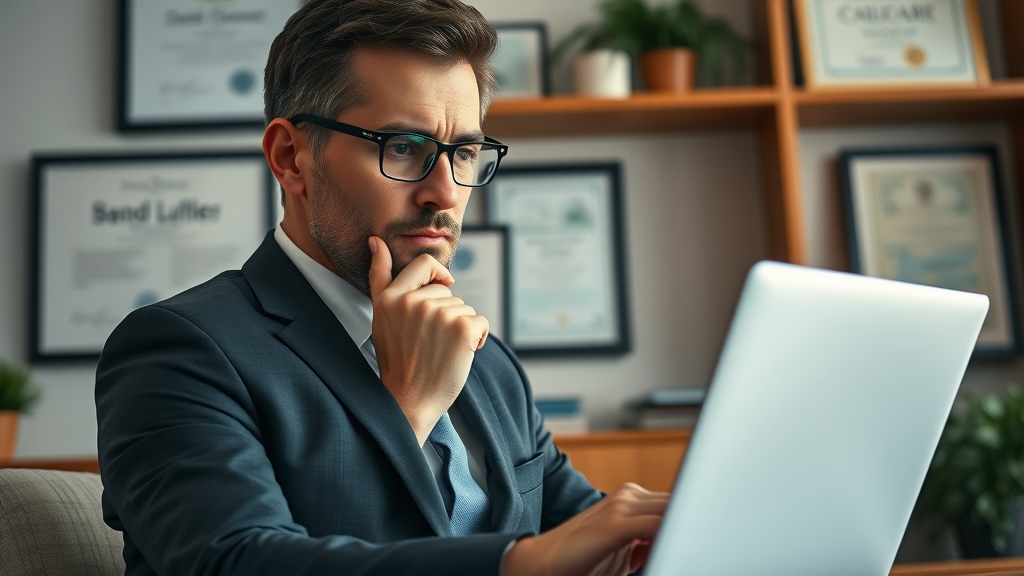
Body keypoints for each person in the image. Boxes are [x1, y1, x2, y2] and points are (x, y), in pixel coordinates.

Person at [95, 1, 668, 575]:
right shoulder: (178, 350)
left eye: (463, 152)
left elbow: (596, 539)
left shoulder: (487, 362)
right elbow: (240, 562)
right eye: (402, 147)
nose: (444, 193)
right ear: (291, 157)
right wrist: (407, 414)